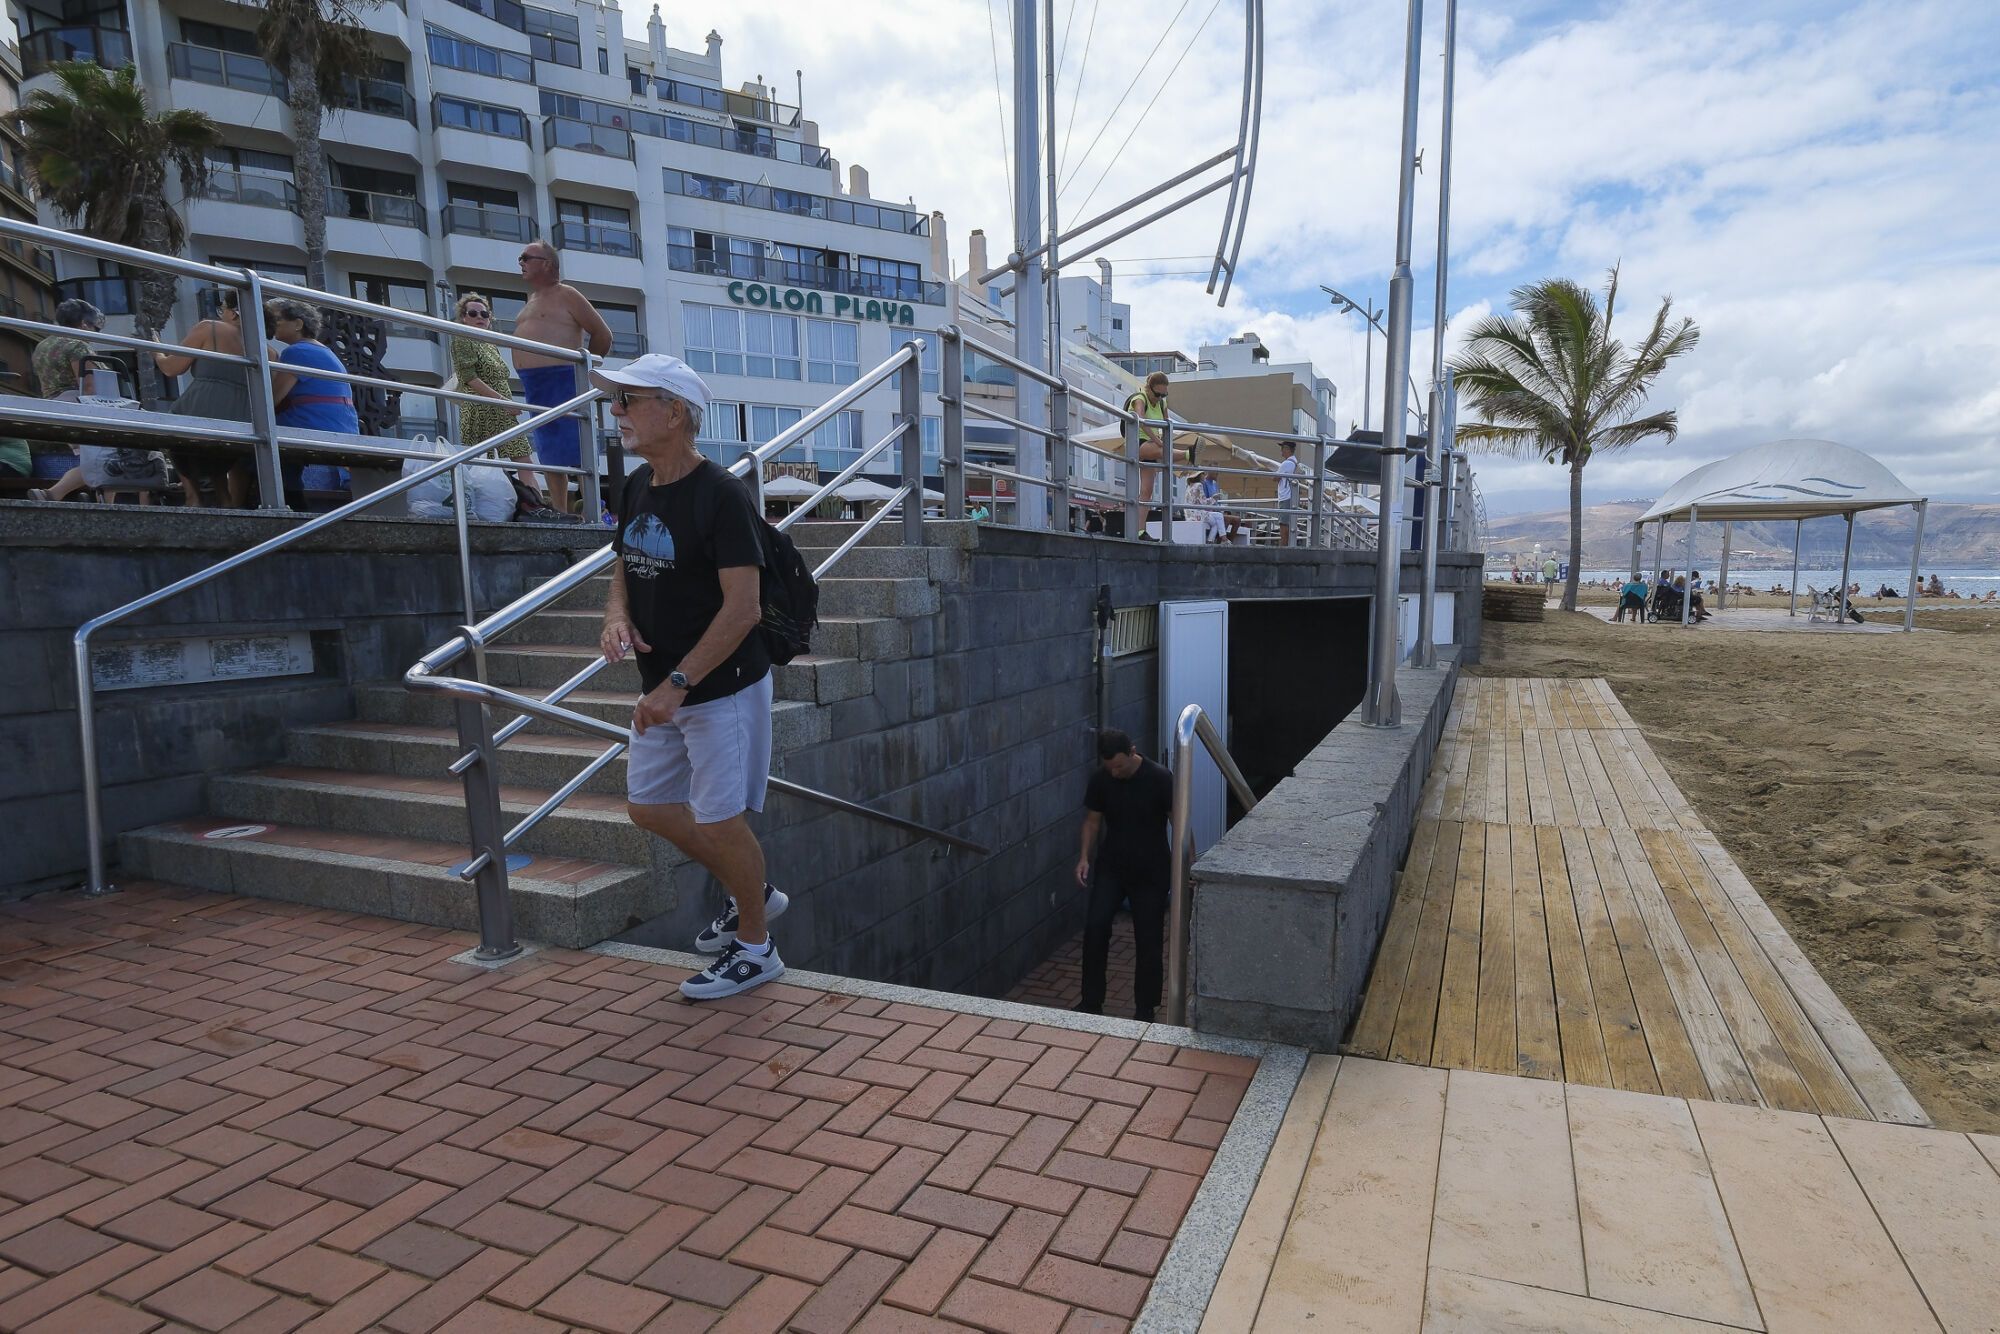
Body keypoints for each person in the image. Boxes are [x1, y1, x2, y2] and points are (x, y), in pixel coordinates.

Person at [594, 353, 781, 1001]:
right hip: (664, 686)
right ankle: (749, 889)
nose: (615, 412)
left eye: (628, 400)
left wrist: (677, 684)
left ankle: (757, 949)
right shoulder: (637, 485)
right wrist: (615, 615)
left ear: (673, 412)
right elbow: (622, 565)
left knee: (720, 816)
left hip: (721, 685)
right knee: (647, 806)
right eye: (614, 400)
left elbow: (744, 609)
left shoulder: (721, 495)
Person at [1074, 728, 1173, 1022]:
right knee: (1095, 928)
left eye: (1119, 765)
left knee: (1149, 939)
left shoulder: (1160, 777)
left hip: (1151, 869)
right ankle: (1091, 1002)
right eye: (1109, 767)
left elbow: (1179, 821)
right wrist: (1083, 858)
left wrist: (1187, 865)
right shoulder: (1101, 779)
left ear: (1132, 752)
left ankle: (1145, 1009)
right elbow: (1092, 821)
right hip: (1112, 866)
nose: (1115, 772)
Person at [513, 241, 611, 515]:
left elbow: (603, 334)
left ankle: (595, 510)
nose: (520, 262)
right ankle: (560, 512)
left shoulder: (567, 294)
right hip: (535, 385)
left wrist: (586, 374)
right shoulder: (531, 301)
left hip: (563, 378)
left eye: (526, 258)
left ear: (546, 263)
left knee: (576, 446)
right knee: (548, 452)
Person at [155, 288, 252, 507]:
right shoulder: (268, 351)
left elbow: (171, 368)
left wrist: (156, 350)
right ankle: (223, 496)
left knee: (176, 422)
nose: (220, 314)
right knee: (215, 454)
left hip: (200, 414)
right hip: (239, 423)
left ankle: (193, 496)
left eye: (223, 309)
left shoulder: (210, 329)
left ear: (234, 312)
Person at [266, 297, 359, 505]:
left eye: (275, 319)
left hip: (312, 440)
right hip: (337, 440)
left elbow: (270, 400)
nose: (270, 324)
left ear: (298, 324)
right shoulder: (322, 351)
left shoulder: (297, 352)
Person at [25, 298, 104, 503]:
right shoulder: (77, 344)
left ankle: (98, 499)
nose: (95, 333)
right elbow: (87, 384)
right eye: (95, 327)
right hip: (77, 403)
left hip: (53, 405)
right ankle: (53, 493)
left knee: (93, 458)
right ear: (84, 324)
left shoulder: (43, 345)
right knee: (105, 456)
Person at [451, 292, 531, 471]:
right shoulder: (462, 338)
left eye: (484, 314)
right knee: (482, 466)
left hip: (501, 409)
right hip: (481, 408)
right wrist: (503, 402)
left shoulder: (489, 343)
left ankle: (534, 499)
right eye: (473, 313)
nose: (480, 317)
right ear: (463, 318)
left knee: (523, 458)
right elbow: (469, 377)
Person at [1276, 441, 1299, 547]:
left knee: (1283, 523)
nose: (1281, 451)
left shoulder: (1286, 463)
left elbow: (1275, 477)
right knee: (1288, 523)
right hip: (1290, 496)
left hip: (1285, 496)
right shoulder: (1294, 463)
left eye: (1283, 448)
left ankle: (1283, 547)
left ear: (1287, 449)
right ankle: (1287, 545)